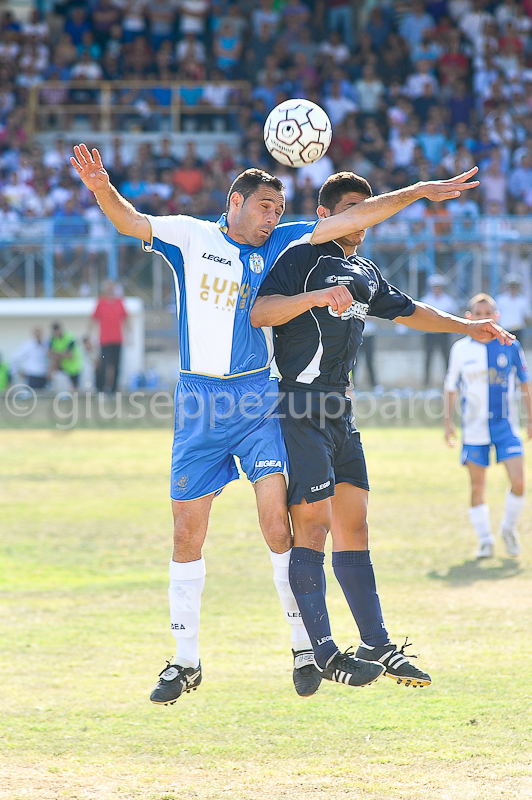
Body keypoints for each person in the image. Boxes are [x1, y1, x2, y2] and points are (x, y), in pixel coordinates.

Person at [70, 142, 481, 704]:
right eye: (264, 207)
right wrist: (100, 188)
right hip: (198, 403)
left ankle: (304, 647)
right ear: (236, 201)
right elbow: (127, 221)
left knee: (275, 519)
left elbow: (353, 216)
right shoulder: (192, 238)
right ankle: (185, 661)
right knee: (186, 532)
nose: (271, 219)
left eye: (278, 209)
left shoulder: (287, 244)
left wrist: (417, 193)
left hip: (259, 398)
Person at [250, 172, 514, 694]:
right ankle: (322, 651)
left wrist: (466, 327)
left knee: (357, 526)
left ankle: (375, 642)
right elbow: (260, 311)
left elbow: (411, 311)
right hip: (300, 407)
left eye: (367, 211)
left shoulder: (364, 270)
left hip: (342, 414)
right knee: (314, 529)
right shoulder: (302, 257)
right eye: (354, 209)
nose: (363, 221)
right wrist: (318, 298)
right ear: (326, 215)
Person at [444, 293, 532, 559]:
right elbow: (451, 387)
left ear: (497, 317)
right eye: (478, 314)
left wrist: (530, 418)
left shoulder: (510, 345)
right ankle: (485, 540)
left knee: (518, 481)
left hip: (506, 427)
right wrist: (448, 422)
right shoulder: (460, 349)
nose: (484, 318)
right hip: (474, 429)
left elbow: (524, 383)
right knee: (477, 487)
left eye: (488, 313)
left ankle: (508, 528)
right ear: (469, 318)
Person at [88, 279, 130, 393]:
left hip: (117, 339)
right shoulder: (101, 303)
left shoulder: (119, 302)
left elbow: (126, 319)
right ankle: (102, 387)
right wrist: (89, 336)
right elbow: (93, 319)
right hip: (105, 339)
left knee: (116, 364)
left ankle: (113, 388)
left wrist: (129, 336)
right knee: (105, 364)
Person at [420, 274, 459, 385]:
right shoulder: (426, 300)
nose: (437, 290)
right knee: (428, 357)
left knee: (446, 357)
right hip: (430, 332)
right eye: (435, 287)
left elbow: (454, 314)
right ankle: (426, 382)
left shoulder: (448, 301)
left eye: (439, 287)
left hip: (443, 333)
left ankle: (449, 380)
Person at [495, 274, 532, 343]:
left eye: (515, 286)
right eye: (511, 286)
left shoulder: (523, 300)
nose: (513, 289)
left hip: (518, 330)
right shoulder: (501, 299)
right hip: (504, 329)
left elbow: (527, 316)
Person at [48, 323, 83, 389]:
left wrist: (57, 354)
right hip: (63, 365)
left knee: (75, 387)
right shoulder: (53, 339)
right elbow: (49, 353)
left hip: (73, 366)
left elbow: (70, 355)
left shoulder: (69, 337)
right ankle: (50, 384)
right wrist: (61, 354)